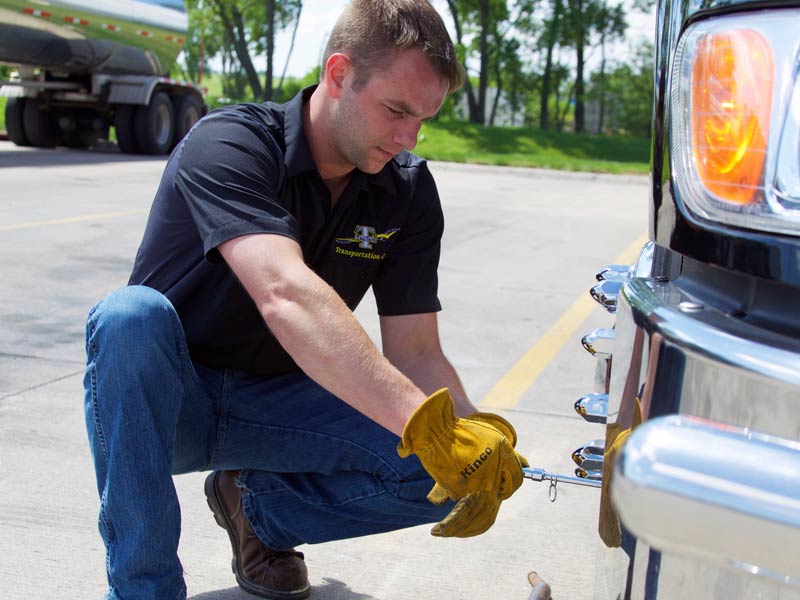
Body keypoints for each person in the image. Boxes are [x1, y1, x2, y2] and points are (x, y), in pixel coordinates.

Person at [83, 1, 528, 599]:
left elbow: (417, 350)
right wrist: (429, 427)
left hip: (280, 408)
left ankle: (257, 512)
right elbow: (284, 293)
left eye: (423, 119)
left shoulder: (408, 191)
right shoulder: (230, 143)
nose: (407, 138)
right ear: (339, 73)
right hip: (168, 403)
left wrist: (471, 437)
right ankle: (144, 591)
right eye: (396, 110)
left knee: (441, 472)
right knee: (128, 318)